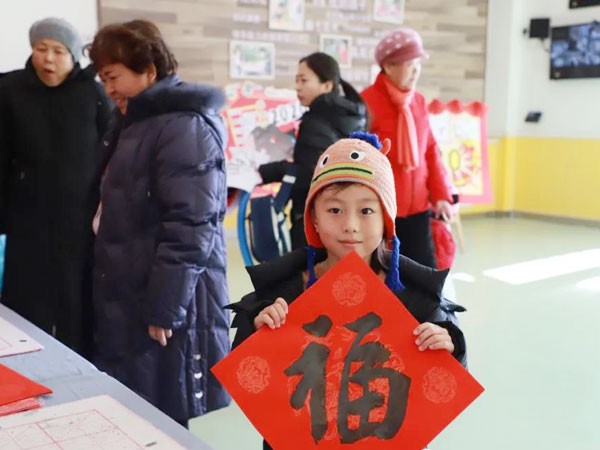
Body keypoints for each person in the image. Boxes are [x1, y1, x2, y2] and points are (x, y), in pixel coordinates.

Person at [230, 132, 466, 450]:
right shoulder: (285, 289)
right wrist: (256, 332)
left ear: (386, 219)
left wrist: (449, 348)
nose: (350, 225)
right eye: (335, 210)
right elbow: (248, 375)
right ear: (313, 216)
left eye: (366, 211)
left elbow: (444, 383)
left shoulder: (416, 294)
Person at [88, 19, 230, 426]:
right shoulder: (134, 123)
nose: (108, 89)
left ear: (149, 71)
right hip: (132, 288)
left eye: (113, 77)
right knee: (134, 404)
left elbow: (191, 226)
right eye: (103, 79)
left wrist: (166, 307)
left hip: (166, 299)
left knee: (162, 411)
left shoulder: (185, 126)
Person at [0, 17, 111, 357]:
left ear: (74, 55)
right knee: (24, 303)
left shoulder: (93, 92)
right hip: (26, 219)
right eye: (40, 49)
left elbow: (110, 154)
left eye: (58, 51)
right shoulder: (9, 90)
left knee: (76, 304)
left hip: (79, 221)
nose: (48, 58)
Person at [361, 27, 453, 268]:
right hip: (381, 210)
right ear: (389, 66)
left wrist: (442, 195)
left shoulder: (419, 101)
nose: (416, 71)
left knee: (425, 273)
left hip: (419, 208)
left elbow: (431, 151)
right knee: (384, 274)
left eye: (418, 64)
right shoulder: (366, 102)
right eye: (410, 64)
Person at [258, 52, 366, 249]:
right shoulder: (351, 118)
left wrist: (268, 171)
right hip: (346, 222)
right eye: (296, 80)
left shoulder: (315, 121)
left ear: (327, 85)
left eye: (304, 80)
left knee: (312, 279)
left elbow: (313, 175)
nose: (297, 86)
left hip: (313, 224)